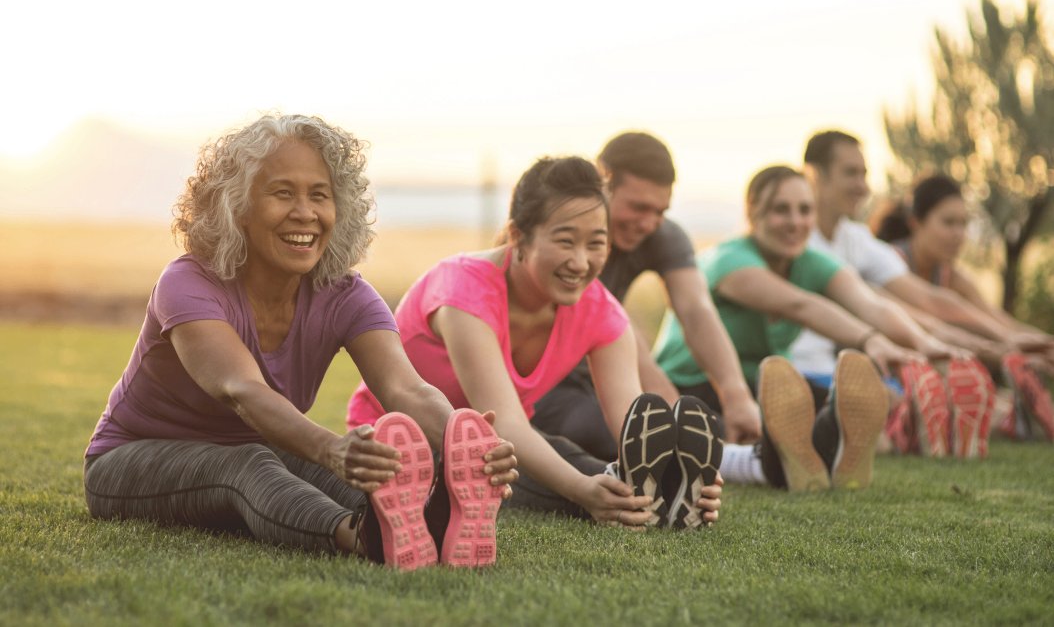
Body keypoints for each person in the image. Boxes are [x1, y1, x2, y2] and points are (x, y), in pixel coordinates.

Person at [83, 113, 518, 571]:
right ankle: (361, 537)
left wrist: (462, 443)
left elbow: (406, 389)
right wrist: (332, 448)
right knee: (249, 464)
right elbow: (241, 389)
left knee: (377, 471)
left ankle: (431, 522)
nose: (305, 213)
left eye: (320, 195)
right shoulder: (189, 282)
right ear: (238, 206)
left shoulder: (346, 295)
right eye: (282, 193)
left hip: (263, 448)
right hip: (129, 460)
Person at [347, 156, 724, 529]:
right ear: (518, 236)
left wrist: (670, 468)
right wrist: (583, 489)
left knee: (570, 459)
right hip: (402, 441)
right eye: (565, 241)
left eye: (596, 243)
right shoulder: (464, 292)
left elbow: (631, 427)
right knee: (522, 469)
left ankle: (664, 497)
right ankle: (637, 501)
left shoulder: (601, 312)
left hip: (502, 447)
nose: (581, 262)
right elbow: (506, 424)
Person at [653, 165, 927, 491]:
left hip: (771, 386)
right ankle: (800, 455)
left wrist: (923, 343)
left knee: (836, 406)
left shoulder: (810, 261)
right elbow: (800, 305)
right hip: (697, 384)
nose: (795, 222)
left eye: (805, 210)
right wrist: (870, 340)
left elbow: (869, 303)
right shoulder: (729, 261)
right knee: (720, 430)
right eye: (781, 210)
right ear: (753, 211)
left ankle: (822, 453)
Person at [532, 132, 759, 463]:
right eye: (638, 207)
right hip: (549, 385)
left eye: (660, 211)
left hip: (610, 380)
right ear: (602, 181)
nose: (649, 223)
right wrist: (671, 411)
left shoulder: (662, 235)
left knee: (713, 424)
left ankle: (758, 457)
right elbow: (618, 327)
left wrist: (735, 394)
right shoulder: (567, 238)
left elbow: (696, 311)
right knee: (600, 430)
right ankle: (734, 461)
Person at [791, 129, 999, 459]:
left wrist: (1000, 341)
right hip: (798, 371)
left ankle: (909, 421)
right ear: (814, 175)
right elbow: (882, 306)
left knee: (893, 395)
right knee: (886, 405)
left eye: (864, 174)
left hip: (838, 366)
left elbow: (927, 300)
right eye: (851, 173)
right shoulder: (794, 241)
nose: (862, 185)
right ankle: (902, 425)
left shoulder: (854, 239)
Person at [874, 174, 1054, 443]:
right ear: (916, 222)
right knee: (980, 406)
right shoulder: (889, 264)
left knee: (990, 404)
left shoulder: (951, 276)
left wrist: (1044, 344)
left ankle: (1020, 416)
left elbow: (997, 320)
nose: (958, 235)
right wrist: (1008, 350)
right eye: (948, 223)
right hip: (888, 372)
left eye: (964, 224)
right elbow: (929, 321)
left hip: (934, 371)